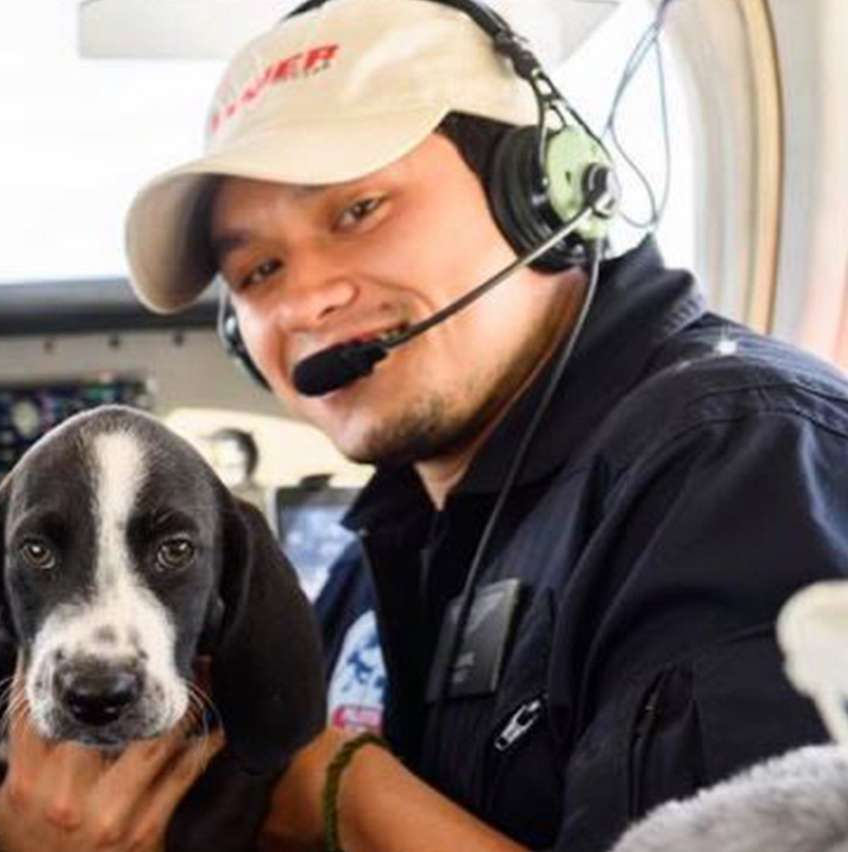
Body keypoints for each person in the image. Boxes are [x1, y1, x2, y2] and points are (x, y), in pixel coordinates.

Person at [107, 0, 848, 850]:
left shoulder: (740, 464)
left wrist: (338, 787)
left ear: (542, 193)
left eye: (358, 210)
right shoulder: (376, 556)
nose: (306, 299)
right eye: (259, 269)